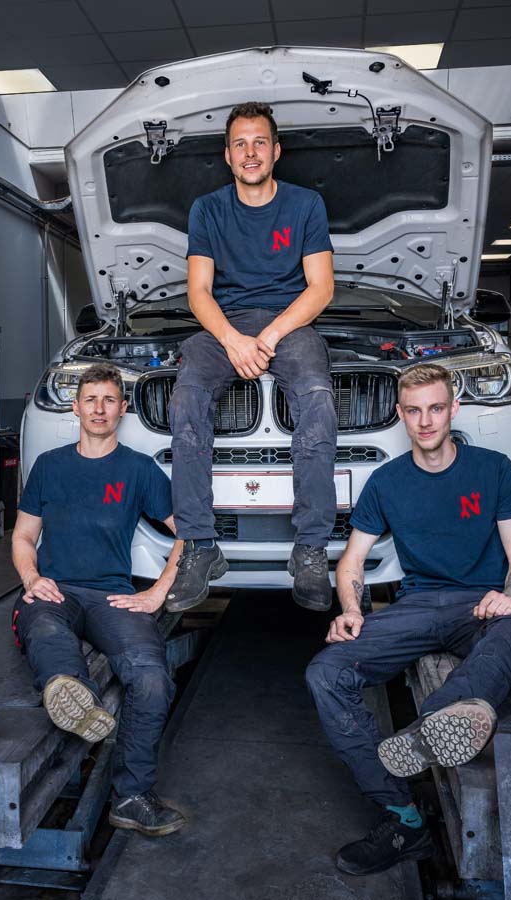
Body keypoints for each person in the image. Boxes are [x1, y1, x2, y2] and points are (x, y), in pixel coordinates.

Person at [305, 362, 511, 876]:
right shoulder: (386, 482)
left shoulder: (493, 469)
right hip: (415, 606)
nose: (426, 421)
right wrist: (350, 610)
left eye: (436, 408)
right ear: (400, 415)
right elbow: (350, 562)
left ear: (454, 409)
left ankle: (432, 725)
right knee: (325, 671)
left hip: (479, 604)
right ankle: (402, 816)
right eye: (414, 411)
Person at [165, 100, 337, 614]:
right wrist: (234, 341)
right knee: (186, 398)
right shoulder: (208, 209)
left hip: (291, 323)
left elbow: (321, 287)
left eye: (260, 142)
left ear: (276, 150)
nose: (250, 152)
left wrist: (270, 335)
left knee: (317, 397)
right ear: (228, 155)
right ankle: (200, 546)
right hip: (224, 325)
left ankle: (310, 550)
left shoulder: (306, 205)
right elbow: (199, 292)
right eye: (240, 144)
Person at [11, 362, 186, 836]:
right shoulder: (50, 466)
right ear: (76, 407)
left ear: (122, 409)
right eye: (91, 399)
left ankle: (131, 797)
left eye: (109, 400)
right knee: (45, 629)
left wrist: (158, 592)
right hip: (55, 589)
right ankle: (75, 697)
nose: (99, 409)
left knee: (151, 679)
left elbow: (190, 533)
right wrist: (31, 579)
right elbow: (23, 537)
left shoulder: (138, 469)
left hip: (113, 597)